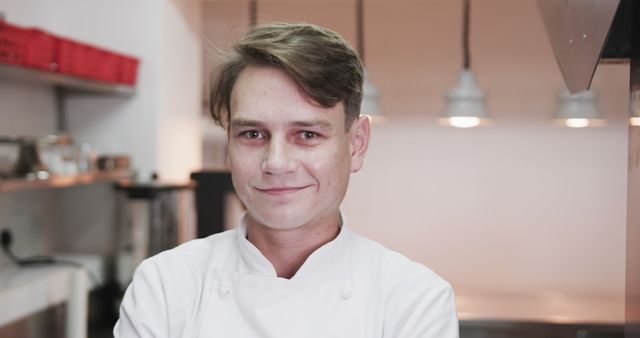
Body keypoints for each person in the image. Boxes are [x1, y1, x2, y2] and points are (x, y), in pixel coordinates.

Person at [114, 22, 458, 337]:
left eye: (307, 135)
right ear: (228, 147)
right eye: (252, 133)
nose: (276, 163)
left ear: (357, 144)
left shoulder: (414, 301)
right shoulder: (165, 286)